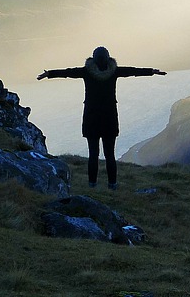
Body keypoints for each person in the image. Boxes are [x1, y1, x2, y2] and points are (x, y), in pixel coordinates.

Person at [37, 46, 166, 190]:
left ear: (94, 59)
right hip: (110, 118)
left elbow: (68, 73)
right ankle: (112, 185)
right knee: (110, 154)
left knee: (93, 154)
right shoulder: (114, 71)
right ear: (108, 58)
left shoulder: (87, 71)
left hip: (91, 118)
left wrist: (49, 74)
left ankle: (92, 184)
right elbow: (132, 71)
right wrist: (152, 71)